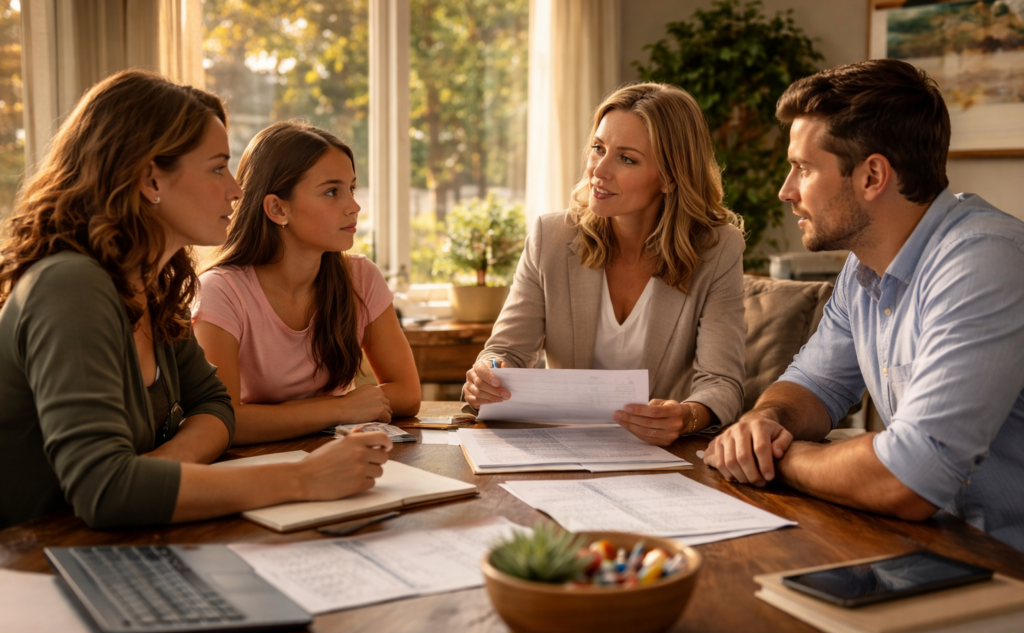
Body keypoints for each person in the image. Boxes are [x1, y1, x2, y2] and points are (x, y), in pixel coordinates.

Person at [0, 71, 391, 531]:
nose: (236, 189)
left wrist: (159, 469)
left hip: (111, 546)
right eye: (217, 167)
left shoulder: (155, 287)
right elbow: (105, 491)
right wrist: (302, 478)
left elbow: (215, 404)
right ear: (151, 180)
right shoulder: (70, 286)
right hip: (32, 567)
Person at [703, 59, 1024, 552]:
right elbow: (814, 385)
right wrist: (763, 423)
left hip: (1004, 566)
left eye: (803, 169)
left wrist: (780, 459)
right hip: (939, 551)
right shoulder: (864, 267)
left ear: (873, 175)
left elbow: (910, 478)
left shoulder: (985, 261)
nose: (786, 191)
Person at [462, 83, 746, 445]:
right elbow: (507, 351)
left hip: (660, 455)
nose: (599, 170)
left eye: (626, 158)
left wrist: (686, 415)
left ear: (671, 177)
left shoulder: (718, 248)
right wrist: (488, 375)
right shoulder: (551, 236)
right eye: (598, 148)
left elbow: (722, 382)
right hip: (560, 446)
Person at [193, 121, 420, 444]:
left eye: (351, 188)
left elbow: (408, 394)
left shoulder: (361, 277)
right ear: (277, 208)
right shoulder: (220, 291)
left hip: (341, 457)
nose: (354, 206)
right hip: (256, 468)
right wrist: (339, 409)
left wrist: (305, 415)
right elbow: (224, 420)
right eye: (332, 192)